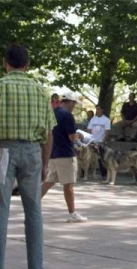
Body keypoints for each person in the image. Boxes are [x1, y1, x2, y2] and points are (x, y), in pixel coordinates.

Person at [0, 44, 56, 269]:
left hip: (3, 153)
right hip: (32, 152)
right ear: (27, 65)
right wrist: (45, 162)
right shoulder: (41, 91)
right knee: (34, 211)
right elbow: (49, 133)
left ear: (4, 63)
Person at [41, 92, 88, 223]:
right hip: (66, 154)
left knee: (49, 182)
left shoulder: (52, 112)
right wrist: (81, 136)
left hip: (53, 153)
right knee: (68, 186)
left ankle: (32, 205)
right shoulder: (67, 116)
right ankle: (72, 213)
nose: (74, 106)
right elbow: (72, 137)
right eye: (74, 104)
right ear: (70, 102)